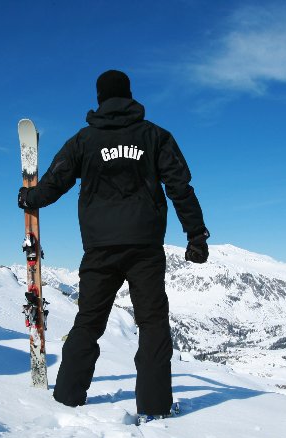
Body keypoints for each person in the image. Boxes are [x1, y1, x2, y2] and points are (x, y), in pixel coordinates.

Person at [17, 69, 209, 418]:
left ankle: (67, 396)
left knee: (89, 321)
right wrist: (196, 234)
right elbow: (180, 187)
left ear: (100, 99)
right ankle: (154, 406)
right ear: (129, 95)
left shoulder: (84, 140)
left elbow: (56, 181)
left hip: (100, 248)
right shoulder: (156, 137)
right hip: (145, 248)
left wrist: (31, 198)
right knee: (151, 322)